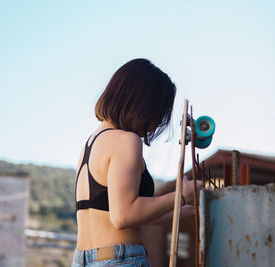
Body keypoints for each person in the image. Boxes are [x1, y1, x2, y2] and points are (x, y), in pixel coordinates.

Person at [71, 58, 203, 267]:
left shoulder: (92, 143)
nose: (159, 121)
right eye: (158, 111)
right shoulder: (126, 141)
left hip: (84, 260)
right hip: (120, 260)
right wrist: (179, 196)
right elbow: (123, 215)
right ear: (143, 104)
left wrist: (189, 205)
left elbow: (132, 216)